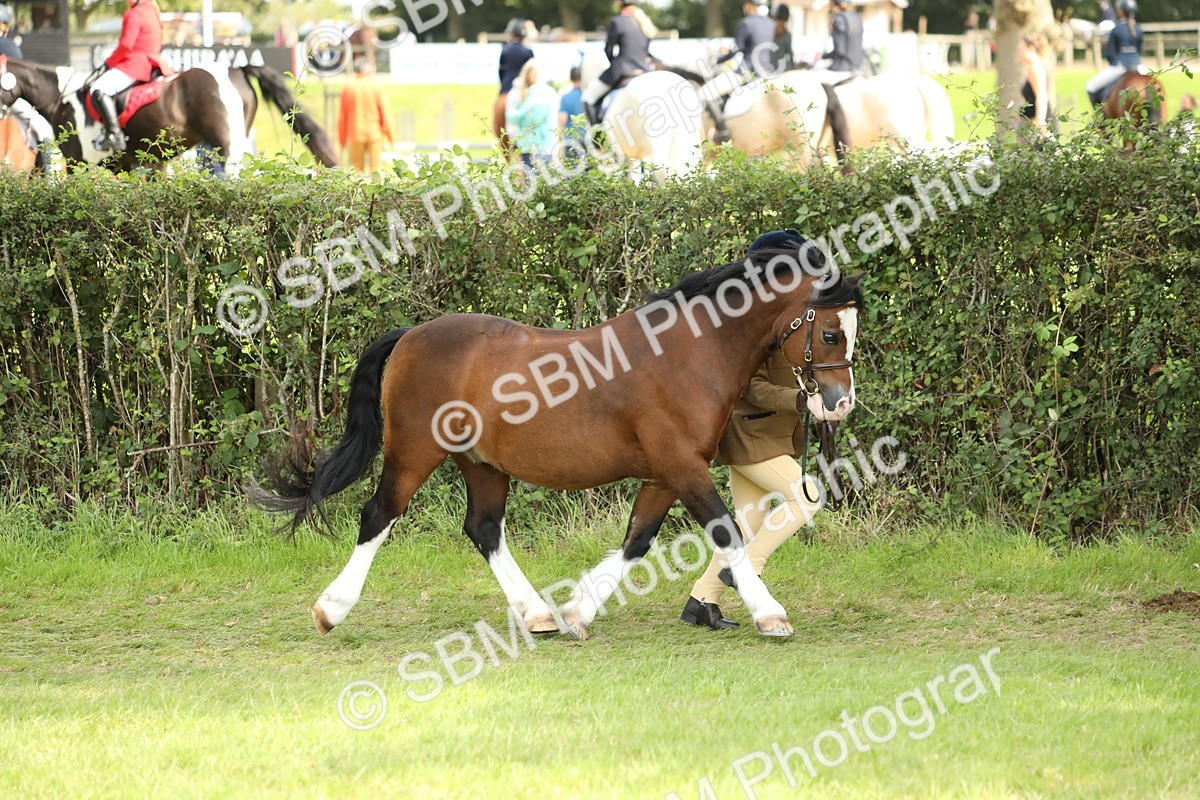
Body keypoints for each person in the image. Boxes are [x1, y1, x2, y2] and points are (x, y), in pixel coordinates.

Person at [681, 229, 827, 630]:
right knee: (808, 498)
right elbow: (751, 387)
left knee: (750, 520)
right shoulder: (747, 318)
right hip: (750, 433)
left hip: (769, 433)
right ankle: (748, 572)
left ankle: (701, 600)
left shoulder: (787, 311)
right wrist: (799, 400)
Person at [91, 0, 171, 153]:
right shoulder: (152, 10)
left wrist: (109, 63)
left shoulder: (134, 14)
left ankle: (114, 133)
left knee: (98, 88)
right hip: (155, 63)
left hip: (136, 64)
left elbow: (126, 45)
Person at [701, 0, 776, 143]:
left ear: (749, 6)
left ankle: (722, 130)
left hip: (745, 72)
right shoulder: (771, 24)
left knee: (705, 94)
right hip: (766, 71)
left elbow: (736, 49)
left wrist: (720, 59)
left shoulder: (746, 23)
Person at [581, 0, 656, 127]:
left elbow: (608, 50)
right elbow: (645, 52)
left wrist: (614, 64)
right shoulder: (644, 23)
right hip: (644, 70)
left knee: (587, 98)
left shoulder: (617, 21)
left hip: (622, 69)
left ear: (621, 4)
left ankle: (597, 136)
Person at [337, 59, 395, 174]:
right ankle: (377, 191)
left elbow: (342, 116)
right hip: (374, 134)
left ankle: (358, 192)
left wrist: (342, 140)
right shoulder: (376, 86)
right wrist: (390, 136)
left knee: (356, 171)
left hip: (355, 135)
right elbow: (384, 112)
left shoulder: (348, 87)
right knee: (376, 172)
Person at [1086, 0, 1142, 107]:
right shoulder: (1138, 29)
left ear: (1120, 11)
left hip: (1120, 67)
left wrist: (1114, 63)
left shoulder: (1116, 29)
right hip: (1139, 66)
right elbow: (1139, 51)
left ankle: (1099, 118)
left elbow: (1109, 53)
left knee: (1090, 86)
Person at [494, 18, 534, 159]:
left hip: (506, 88)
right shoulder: (528, 51)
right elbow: (531, 73)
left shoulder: (505, 49)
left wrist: (504, 88)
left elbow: (501, 72)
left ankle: (506, 156)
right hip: (522, 90)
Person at [506, 59, 557, 168]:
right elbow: (510, 116)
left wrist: (521, 118)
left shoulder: (546, 92)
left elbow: (534, 118)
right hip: (525, 146)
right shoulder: (519, 93)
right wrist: (524, 115)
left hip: (543, 146)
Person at [815, 0, 864, 83]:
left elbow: (840, 51)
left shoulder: (839, 20)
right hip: (858, 67)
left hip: (842, 69)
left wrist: (823, 56)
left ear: (834, 5)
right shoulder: (856, 17)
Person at [1018, 36, 1053, 136]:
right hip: (1032, 123)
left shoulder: (1036, 69)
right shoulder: (1033, 68)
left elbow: (1041, 97)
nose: (1018, 53)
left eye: (1021, 50)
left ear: (1031, 49)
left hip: (1037, 124)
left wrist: (1040, 122)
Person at [558, 66, 586, 144]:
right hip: (588, 140)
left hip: (571, 141)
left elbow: (562, 120)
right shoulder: (588, 96)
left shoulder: (566, 97)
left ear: (571, 78)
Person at [770, 4, 794, 75]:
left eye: (782, 21)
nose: (779, 24)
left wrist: (790, 72)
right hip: (767, 71)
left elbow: (790, 56)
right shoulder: (767, 34)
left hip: (782, 72)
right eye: (777, 20)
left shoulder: (787, 36)